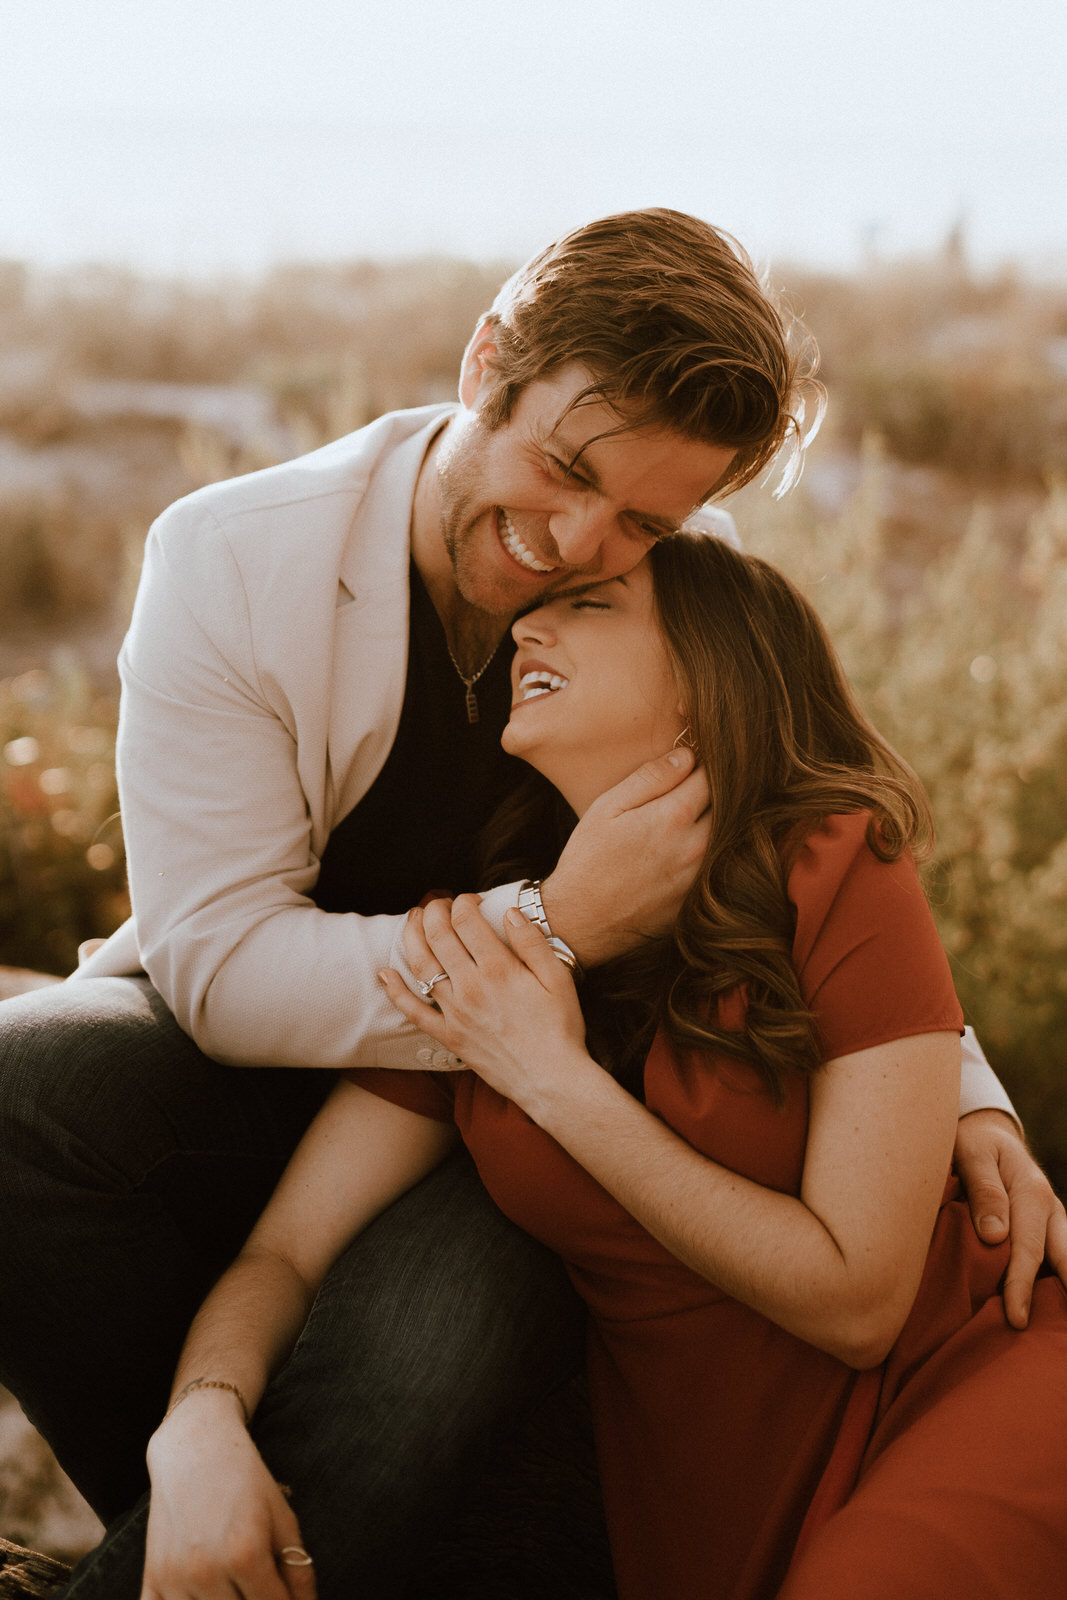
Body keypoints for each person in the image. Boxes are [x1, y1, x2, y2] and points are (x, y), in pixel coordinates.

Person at [0, 211, 1058, 1590]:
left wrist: (960, 1095)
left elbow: (784, 804)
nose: (569, 547)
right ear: (483, 359)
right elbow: (216, 969)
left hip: (490, 1103)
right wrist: (550, 936)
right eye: (562, 470)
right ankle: (199, 1509)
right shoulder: (229, 556)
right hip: (305, 1048)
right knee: (25, 1095)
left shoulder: (660, 575)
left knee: (438, 1328)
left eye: (638, 524)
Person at [113, 534, 1067, 1599]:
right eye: (540, 609)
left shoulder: (829, 859)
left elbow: (858, 1302)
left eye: (594, 605)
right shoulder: (489, 948)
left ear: (707, 678)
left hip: (960, 1382)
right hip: (713, 1485)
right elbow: (285, 1253)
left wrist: (553, 1083)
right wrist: (196, 1422)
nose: (528, 625)